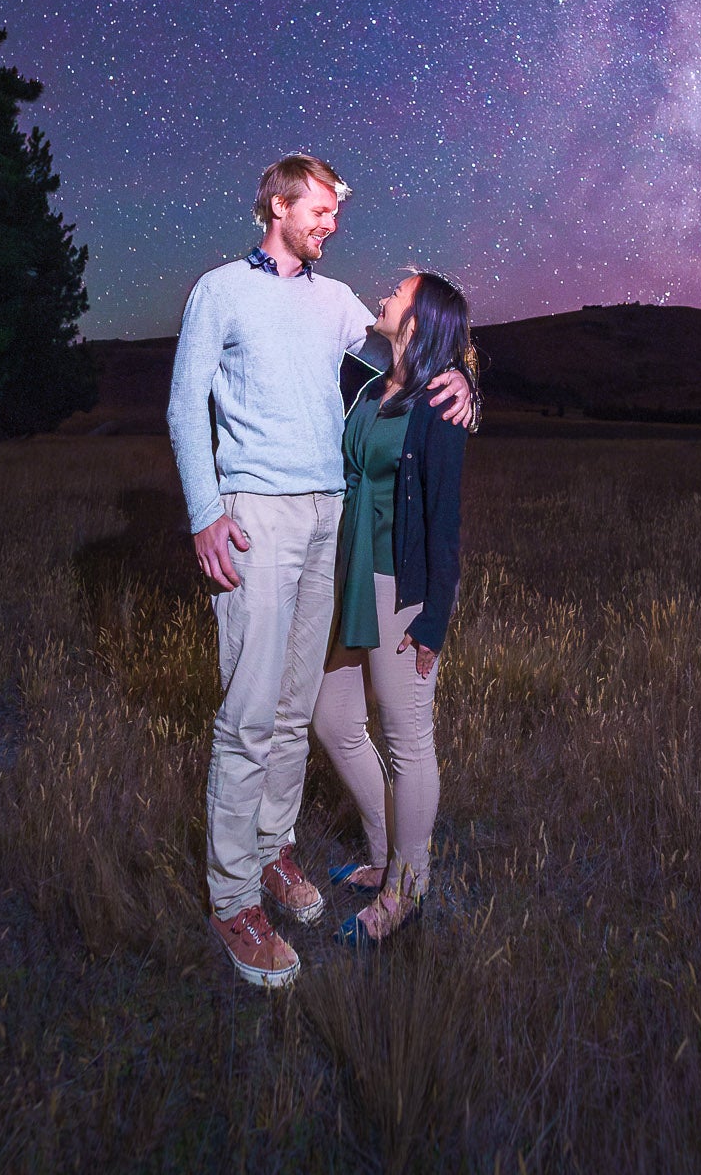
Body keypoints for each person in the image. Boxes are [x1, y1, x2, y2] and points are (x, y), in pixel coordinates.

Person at [167, 155, 474, 989]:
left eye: (336, 213)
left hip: (331, 521)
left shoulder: (335, 301)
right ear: (278, 203)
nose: (332, 224)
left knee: (298, 703)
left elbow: (420, 350)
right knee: (249, 710)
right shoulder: (220, 290)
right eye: (322, 210)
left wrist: (463, 380)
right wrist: (206, 510)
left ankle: (273, 853)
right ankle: (232, 897)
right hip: (257, 513)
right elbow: (183, 401)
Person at [312, 270, 474, 945]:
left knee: (409, 744)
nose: (383, 294)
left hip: (397, 588)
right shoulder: (371, 385)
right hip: (346, 578)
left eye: (397, 292)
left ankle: (407, 887)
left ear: (417, 319)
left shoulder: (440, 403)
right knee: (333, 717)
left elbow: (445, 523)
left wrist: (434, 619)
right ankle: (384, 855)